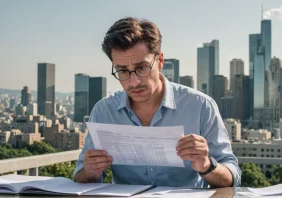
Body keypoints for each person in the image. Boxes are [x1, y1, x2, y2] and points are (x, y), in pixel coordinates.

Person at [73, 17, 241, 188]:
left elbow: (232, 177)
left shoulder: (200, 106)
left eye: (142, 68)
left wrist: (207, 165)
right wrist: (89, 172)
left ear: (160, 61)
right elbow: (80, 176)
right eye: (122, 71)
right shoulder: (103, 111)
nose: (134, 82)